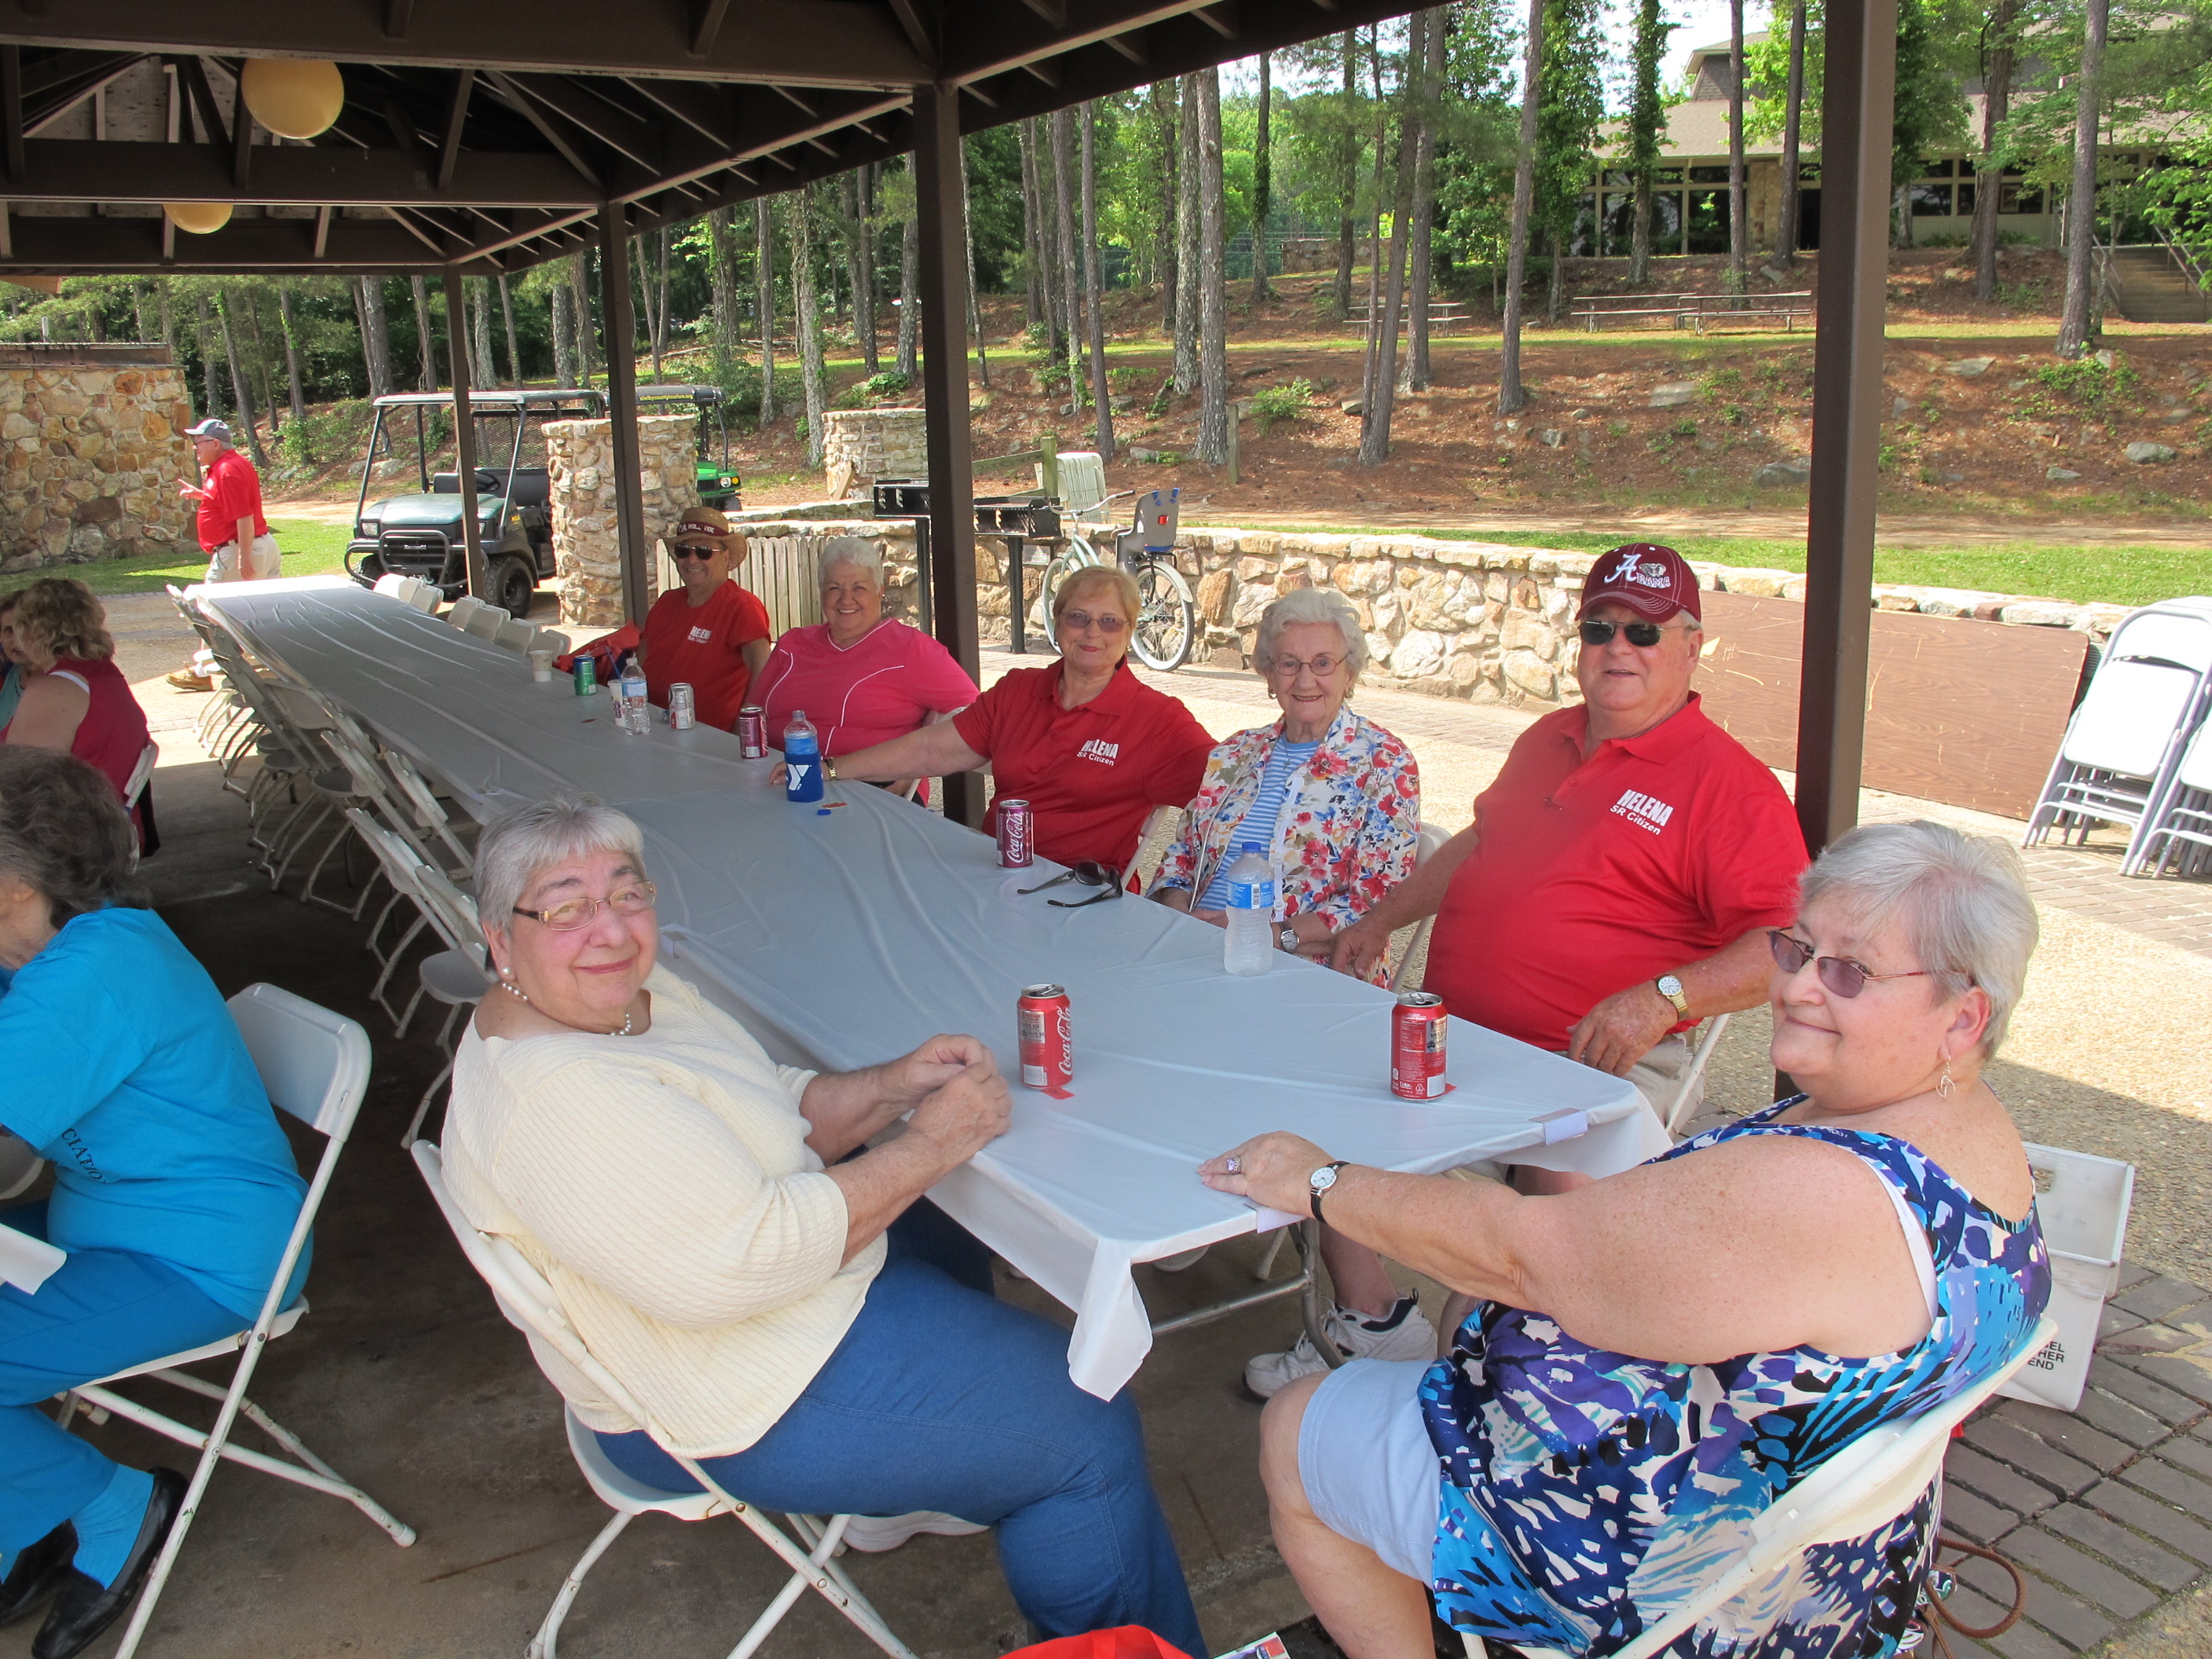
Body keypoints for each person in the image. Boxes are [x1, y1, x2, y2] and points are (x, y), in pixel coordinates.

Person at [1207, 820, 2052, 1659]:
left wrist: (1321, 1184)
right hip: (1829, 1550)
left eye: (1849, 972)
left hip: (1663, 1570)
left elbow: (1522, 1256)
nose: (1794, 989)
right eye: (1797, 951)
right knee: (1472, 1302)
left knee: (1296, 1425)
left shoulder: (1832, 1190)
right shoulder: (1971, 1130)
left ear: (1960, 1018)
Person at [441, 794, 1204, 1654]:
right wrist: (928, 1145)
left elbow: (766, 1098)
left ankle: (940, 1466)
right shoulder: (564, 1098)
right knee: (1084, 1436)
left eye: (626, 893)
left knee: (951, 1221)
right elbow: (742, 1260)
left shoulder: (628, 999)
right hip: (721, 1379)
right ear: (501, 939)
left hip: (741, 1309)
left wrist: (889, 1087)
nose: (611, 931)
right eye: (567, 909)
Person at [1242, 544, 1807, 1397]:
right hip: (1455, 1039)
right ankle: (1372, 1326)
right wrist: (1382, 917)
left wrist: (1663, 999)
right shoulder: (1548, 738)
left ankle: (1491, 1402)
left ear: (1690, 646)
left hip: (1584, 1062)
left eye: (1643, 631)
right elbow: (1478, 843)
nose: (1618, 646)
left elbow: (1786, 942)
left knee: (1540, 1242)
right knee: (1315, 1120)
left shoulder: (1727, 786)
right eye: (1599, 626)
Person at [0, 746, 310, 1659]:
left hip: (202, 1262)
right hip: (119, 1231)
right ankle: (27, 1517)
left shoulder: (86, 976)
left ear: (15, 882)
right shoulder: (67, 947)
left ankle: (114, 1505)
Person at [819, 566, 1214, 874]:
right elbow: (929, 749)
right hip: (995, 874)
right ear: (1057, 624)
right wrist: (831, 770)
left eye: (1110, 621)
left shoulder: (1157, 720)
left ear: (1129, 633)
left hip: (1079, 894)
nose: (1093, 631)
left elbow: (1232, 791)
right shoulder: (1020, 689)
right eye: (1078, 617)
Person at [1150, 587, 1419, 971]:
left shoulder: (1385, 763)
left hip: (1303, 968)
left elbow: (1376, 904)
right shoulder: (1235, 753)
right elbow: (1183, 854)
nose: (1305, 680)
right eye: (1289, 664)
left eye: (1323, 663)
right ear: (1270, 675)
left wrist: (1271, 936)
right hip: (1198, 948)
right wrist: (1181, 918)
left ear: (1350, 674)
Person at [751, 537, 980, 802]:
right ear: (821, 593)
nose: (846, 599)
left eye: (859, 587)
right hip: (776, 782)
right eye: (834, 588)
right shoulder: (793, 644)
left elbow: (976, 717)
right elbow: (751, 718)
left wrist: (911, 766)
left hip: (867, 790)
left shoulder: (911, 649)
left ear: (880, 591)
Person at [0, 579, 153, 808]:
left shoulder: (55, 688)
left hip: (71, 832)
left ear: (30, 631)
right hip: (103, 822)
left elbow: (20, 786)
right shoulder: (103, 673)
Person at [638, 507, 773, 732]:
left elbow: (763, 672)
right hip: (651, 726)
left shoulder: (740, 606)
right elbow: (640, 664)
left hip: (708, 737)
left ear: (726, 556)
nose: (692, 560)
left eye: (703, 551)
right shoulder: (666, 602)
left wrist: (743, 732)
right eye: (683, 550)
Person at [168, 417, 277, 692]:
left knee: (208, 610)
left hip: (236, 548)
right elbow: (230, 502)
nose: (195, 448)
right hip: (257, 545)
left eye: (199, 442)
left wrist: (244, 557)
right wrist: (202, 495)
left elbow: (244, 516)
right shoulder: (230, 466)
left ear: (215, 443)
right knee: (260, 611)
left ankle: (208, 670)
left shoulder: (227, 470)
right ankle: (268, 669)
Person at [0, 595, 24, 731]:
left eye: (24, 629)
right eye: (9, 630)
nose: (17, 640)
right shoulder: (15, 673)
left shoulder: (55, 678)